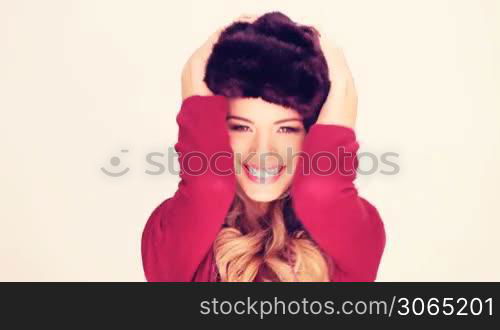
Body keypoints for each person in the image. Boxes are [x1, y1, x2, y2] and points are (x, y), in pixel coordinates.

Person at [141, 12, 386, 282]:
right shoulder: (166, 233)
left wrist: (339, 79)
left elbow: (321, 191)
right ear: (215, 130)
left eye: (287, 128)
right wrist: (197, 78)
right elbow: (207, 186)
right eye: (241, 127)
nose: (263, 151)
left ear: (313, 134)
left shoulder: (359, 232)